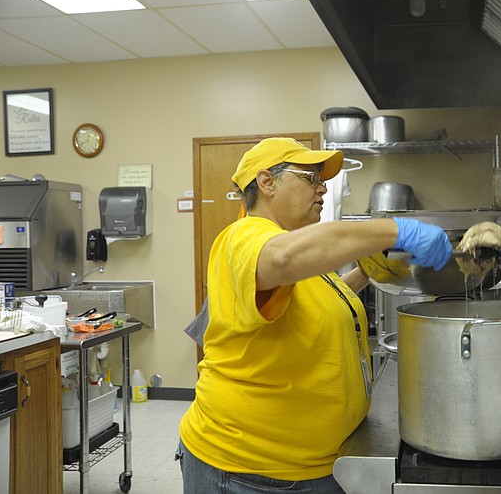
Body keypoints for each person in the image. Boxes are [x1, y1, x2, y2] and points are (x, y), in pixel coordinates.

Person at [177, 137, 452, 493]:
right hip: (250, 473)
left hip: (313, 464)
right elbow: (281, 260)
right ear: (266, 182)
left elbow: (317, 304)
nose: (322, 188)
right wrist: (397, 230)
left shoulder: (293, 241)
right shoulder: (244, 237)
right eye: (311, 178)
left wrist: (366, 272)